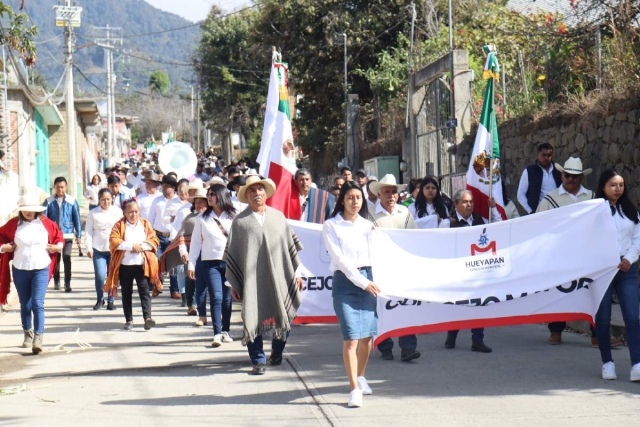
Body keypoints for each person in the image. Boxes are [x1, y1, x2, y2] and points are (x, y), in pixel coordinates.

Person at [224, 175, 304, 375]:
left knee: (284, 316)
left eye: (260, 189)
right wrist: (234, 283)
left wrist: (297, 273)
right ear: (246, 195)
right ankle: (258, 359)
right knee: (252, 315)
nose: (256, 193)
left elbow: (290, 249)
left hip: (280, 276)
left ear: (265, 193)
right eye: (252, 190)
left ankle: (277, 352)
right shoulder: (240, 223)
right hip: (252, 281)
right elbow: (235, 253)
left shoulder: (278, 217)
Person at [322, 181, 378, 408]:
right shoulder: (331, 225)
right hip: (346, 283)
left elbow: (379, 253)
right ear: (342, 200)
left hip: (369, 279)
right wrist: (362, 282)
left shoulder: (368, 225)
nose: (355, 202)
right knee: (351, 337)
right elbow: (340, 260)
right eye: (350, 198)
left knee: (367, 336)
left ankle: (361, 376)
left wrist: (370, 281)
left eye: (358, 198)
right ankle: (354, 388)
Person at [536, 157, 598, 345]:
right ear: (561, 176)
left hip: (586, 255)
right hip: (560, 255)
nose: (570, 179)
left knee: (593, 293)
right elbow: (538, 225)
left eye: (574, 176)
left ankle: (597, 334)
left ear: (581, 178)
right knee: (559, 293)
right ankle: (556, 330)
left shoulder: (593, 197)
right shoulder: (550, 199)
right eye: (567, 175)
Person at [0, 193, 64, 354]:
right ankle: (27, 332)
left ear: (37, 210)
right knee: (25, 304)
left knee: (37, 303)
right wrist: (4, 248)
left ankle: (38, 337)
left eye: (32, 210)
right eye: (26, 209)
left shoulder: (46, 223)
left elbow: (59, 237)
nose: (29, 212)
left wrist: (58, 247)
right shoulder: (13, 224)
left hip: (41, 267)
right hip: (20, 268)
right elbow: (0, 238)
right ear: (21, 210)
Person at [594, 169, 640, 381]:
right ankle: (607, 362)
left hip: (626, 269)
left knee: (632, 317)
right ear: (603, 187)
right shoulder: (593, 211)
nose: (617, 189)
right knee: (602, 319)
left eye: (621, 184)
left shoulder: (631, 210)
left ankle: (637, 364)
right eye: (613, 185)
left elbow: (637, 240)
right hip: (603, 270)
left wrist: (628, 259)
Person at [368, 174, 420, 362]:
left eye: (394, 192)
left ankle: (408, 347)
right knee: (382, 308)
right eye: (387, 192)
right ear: (379, 194)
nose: (391, 196)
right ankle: (385, 345)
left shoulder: (404, 213)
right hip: (379, 269)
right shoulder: (369, 215)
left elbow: (415, 238)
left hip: (401, 268)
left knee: (405, 307)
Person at [445, 189, 502, 353]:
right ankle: (452, 332)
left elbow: (499, 226)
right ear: (455, 204)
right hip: (457, 270)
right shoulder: (448, 222)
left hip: (477, 270)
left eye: (471, 201)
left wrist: (493, 209)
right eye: (464, 201)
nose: (468, 205)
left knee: (479, 303)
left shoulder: (480, 219)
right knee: (458, 304)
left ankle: (477, 340)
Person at [188, 183, 236, 345]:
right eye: (208, 195)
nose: (208, 197)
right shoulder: (202, 218)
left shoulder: (233, 216)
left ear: (221, 196)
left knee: (227, 299)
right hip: (209, 263)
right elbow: (195, 243)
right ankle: (216, 333)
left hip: (230, 262)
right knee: (216, 296)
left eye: (212, 195)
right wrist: (191, 264)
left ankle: (225, 330)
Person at [104, 200, 159, 331]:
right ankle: (129, 320)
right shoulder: (119, 225)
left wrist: (140, 247)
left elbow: (153, 240)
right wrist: (130, 246)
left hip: (141, 264)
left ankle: (148, 318)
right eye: (130, 212)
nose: (133, 215)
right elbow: (113, 241)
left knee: (144, 291)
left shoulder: (145, 224)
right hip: (125, 265)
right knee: (126, 293)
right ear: (125, 213)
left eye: (135, 212)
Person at [161, 187, 208, 316]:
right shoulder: (189, 219)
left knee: (205, 280)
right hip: (192, 253)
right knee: (190, 278)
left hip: (209, 254)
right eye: (196, 202)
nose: (198, 205)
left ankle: (202, 306)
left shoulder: (212, 218)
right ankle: (191, 304)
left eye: (201, 202)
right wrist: (183, 252)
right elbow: (181, 235)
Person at [85, 188, 123, 311]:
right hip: (98, 248)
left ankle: (111, 300)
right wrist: (89, 247)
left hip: (114, 249)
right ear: (99, 200)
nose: (106, 202)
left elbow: (123, 230)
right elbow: (88, 231)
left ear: (112, 199)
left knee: (112, 275)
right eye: (103, 200)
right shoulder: (93, 213)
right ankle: (100, 298)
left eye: (108, 199)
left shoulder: (118, 212)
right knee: (100, 276)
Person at [43, 177, 82, 292]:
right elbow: (44, 219)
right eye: (58, 187)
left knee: (67, 257)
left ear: (66, 187)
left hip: (68, 234)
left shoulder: (72, 201)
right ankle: (57, 281)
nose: (60, 189)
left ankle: (67, 282)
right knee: (56, 258)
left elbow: (77, 219)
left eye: (62, 187)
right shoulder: (48, 201)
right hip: (54, 236)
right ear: (54, 187)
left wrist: (78, 235)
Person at [148, 175, 182, 299]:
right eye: (163, 186)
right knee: (157, 261)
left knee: (173, 264)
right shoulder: (157, 201)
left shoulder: (179, 202)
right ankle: (157, 284)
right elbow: (151, 218)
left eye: (167, 186)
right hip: (158, 235)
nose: (164, 188)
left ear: (173, 188)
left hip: (173, 237)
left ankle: (174, 289)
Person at [517, 142, 561, 215]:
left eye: (549, 155)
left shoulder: (558, 170)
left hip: (557, 211)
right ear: (538, 155)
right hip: (538, 212)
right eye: (543, 155)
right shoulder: (529, 171)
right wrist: (530, 210)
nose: (546, 158)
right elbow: (520, 194)